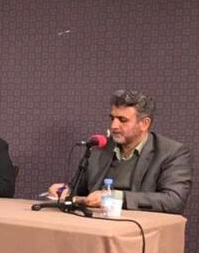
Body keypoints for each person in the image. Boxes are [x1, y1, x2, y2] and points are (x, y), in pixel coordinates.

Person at [49, 90, 191, 214]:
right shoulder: (100, 148)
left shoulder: (172, 153)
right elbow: (78, 189)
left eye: (122, 120)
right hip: (94, 223)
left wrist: (114, 197)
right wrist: (65, 190)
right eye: (112, 118)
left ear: (144, 123)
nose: (113, 126)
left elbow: (174, 201)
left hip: (139, 227)